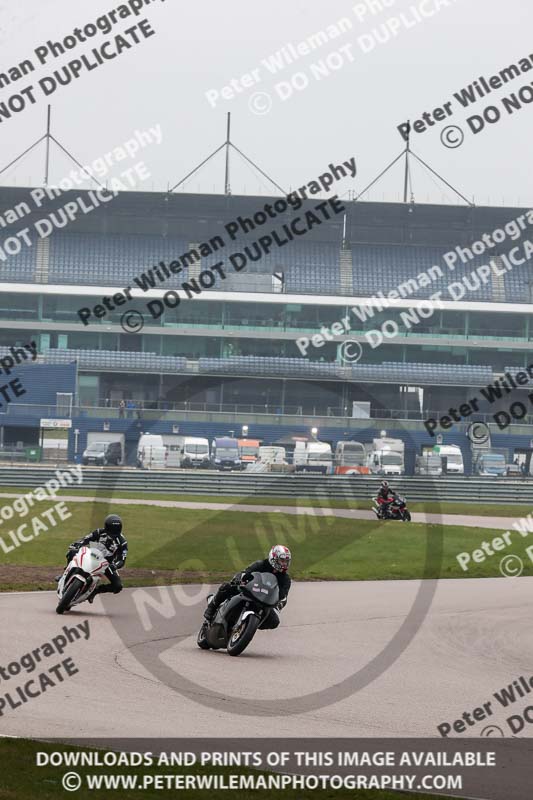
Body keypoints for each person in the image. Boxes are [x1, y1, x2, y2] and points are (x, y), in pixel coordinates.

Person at [203, 544, 292, 629]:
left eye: (286, 561)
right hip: (249, 590)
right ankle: (211, 608)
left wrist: (278, 604)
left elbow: (283, 596)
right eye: (282, 560)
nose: (284, 564)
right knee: (227, 587)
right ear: (274, 558)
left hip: (264, 600)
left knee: (274, 622)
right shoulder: (261, 564)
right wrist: (239, 578)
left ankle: (248, 626)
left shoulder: (286, 579)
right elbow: (245, 573)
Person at [57, 514, 128, 602]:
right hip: (91, 554)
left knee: (118, 586)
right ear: (106, 527)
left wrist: (115, 566)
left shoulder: (122, 542)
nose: (113, 533)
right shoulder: (99, 532)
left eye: (116, 530)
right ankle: (64, 574)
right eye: (111, 530)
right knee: (72, 552)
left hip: (106, 563)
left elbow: (122, 559)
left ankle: (95, 591)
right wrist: (77, 544)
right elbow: (86, 538)